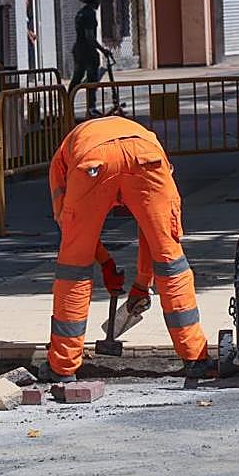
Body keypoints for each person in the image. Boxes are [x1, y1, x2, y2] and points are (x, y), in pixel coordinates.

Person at [45, 116, 213, 381]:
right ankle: (196, 358)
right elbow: (152, 235)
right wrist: (118, 270)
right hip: (146, 155)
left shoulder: (61, 160)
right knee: (170, 259)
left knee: (73, 268)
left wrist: (127, 277)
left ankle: (63, 367)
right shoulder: (140, 136)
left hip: (93, 158)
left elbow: (73, 232)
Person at [69, 0, 110, 115]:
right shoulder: (90, 14)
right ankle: (91, 107)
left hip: (78, 50)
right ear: (94, 0)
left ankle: (67, 103)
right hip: (88, 52)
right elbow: (90, 37)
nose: (99, 2)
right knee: (92, 80)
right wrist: (102, 50)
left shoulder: (80, 13)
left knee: (77, 78)